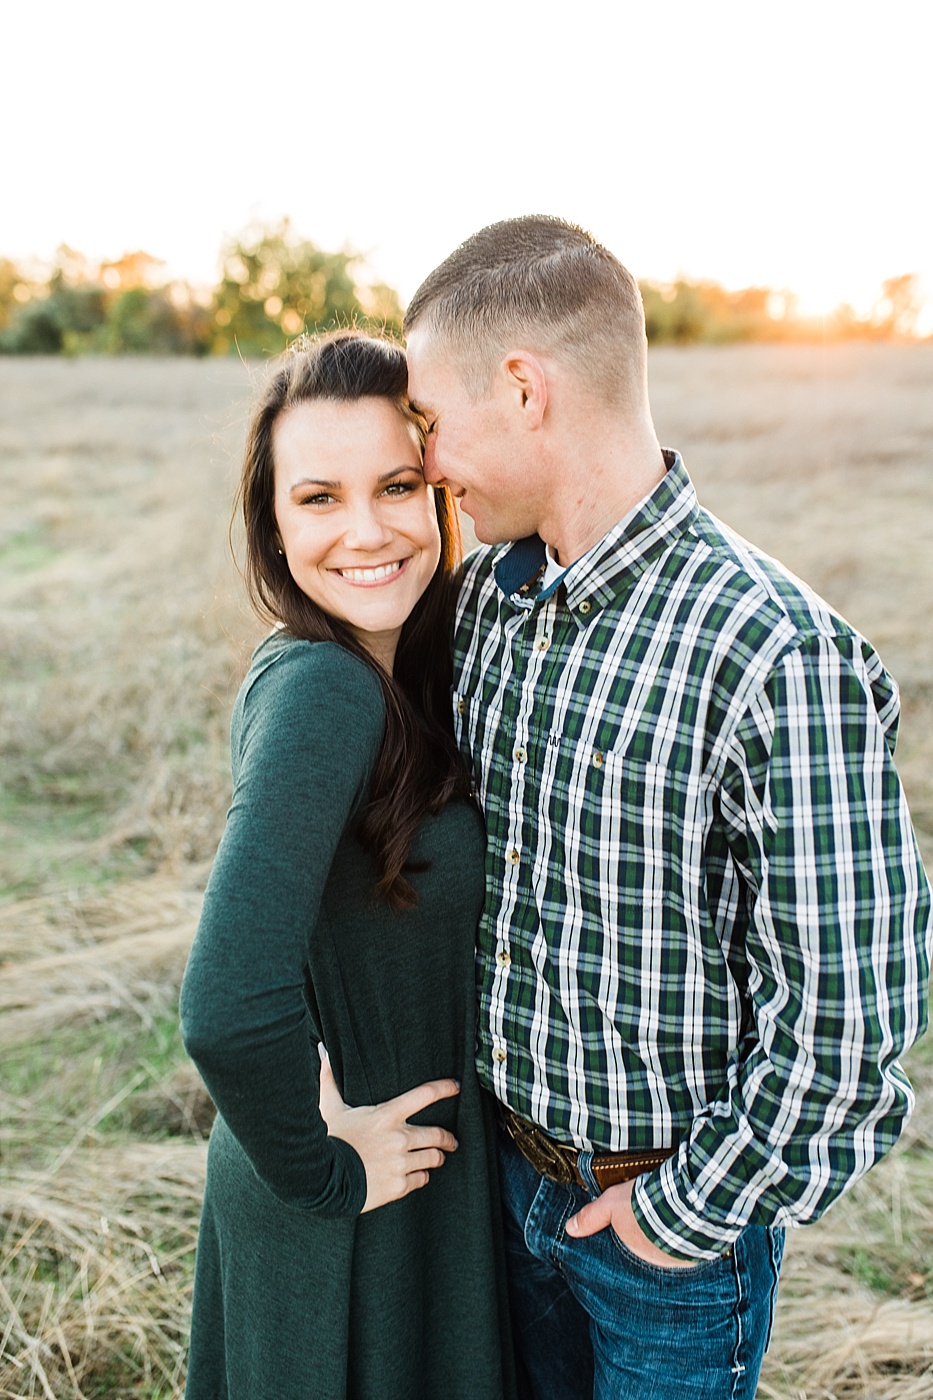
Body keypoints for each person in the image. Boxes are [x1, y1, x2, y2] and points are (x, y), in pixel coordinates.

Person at [403, 215, 933, 1400]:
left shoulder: (775, 654)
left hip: (666, 1240)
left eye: (434, 422)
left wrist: (685, 1210)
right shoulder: (488, 596)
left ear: (524, 388)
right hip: (502, 1184)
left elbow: (851, 1022)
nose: (429, 461)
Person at [180, 331, 515, 1400]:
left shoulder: (391, 672)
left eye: (399, 485)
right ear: (273, 524)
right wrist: (325, 1175)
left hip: (408, 1189)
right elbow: (226, 1003)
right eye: (319, 497)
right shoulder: (324, 689)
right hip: (359, 1201)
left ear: (441, 493)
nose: (367, 531)